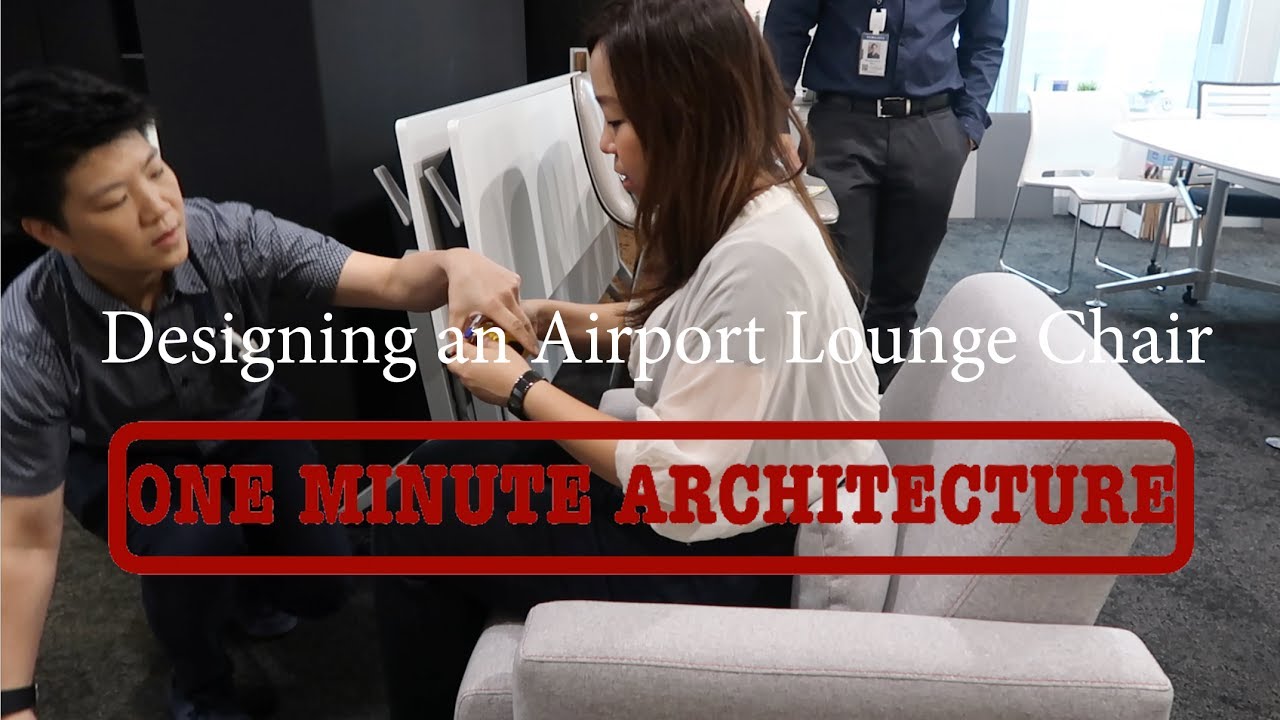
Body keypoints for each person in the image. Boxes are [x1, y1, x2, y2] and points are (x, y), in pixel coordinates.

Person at [371, 0, 882, 716]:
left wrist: (519, 388)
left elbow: (678, 485)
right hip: (730, 511)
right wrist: (550, 318)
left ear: (682, 115)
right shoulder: (750, 209)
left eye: (616, 120)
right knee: (438, 471)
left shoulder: (760, 259)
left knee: (409, 509)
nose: (607, 146)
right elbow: (684, 335)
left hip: (721, 554)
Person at [0, 67, 539, 720]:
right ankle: (200, 683)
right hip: (128, 455)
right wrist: (12, 702)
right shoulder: (29, 332)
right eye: (115, 201)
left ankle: (244, 583)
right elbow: (24, 539)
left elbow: (394, 282)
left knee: (323, 589)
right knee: (193, 543)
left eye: (156, 170)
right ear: (50, 232)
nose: (160, 209)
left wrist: (457, 264)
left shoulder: (232, 237)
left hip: (246, 421)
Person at [764, 0, 1008, 392]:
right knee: (837, 286)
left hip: (931, 130)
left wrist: (967, 127)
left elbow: (986, 41)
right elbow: (786, 26)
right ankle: (825, 406)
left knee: (898, 296)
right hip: (843, 128)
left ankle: (877, 405)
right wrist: (774, 122)